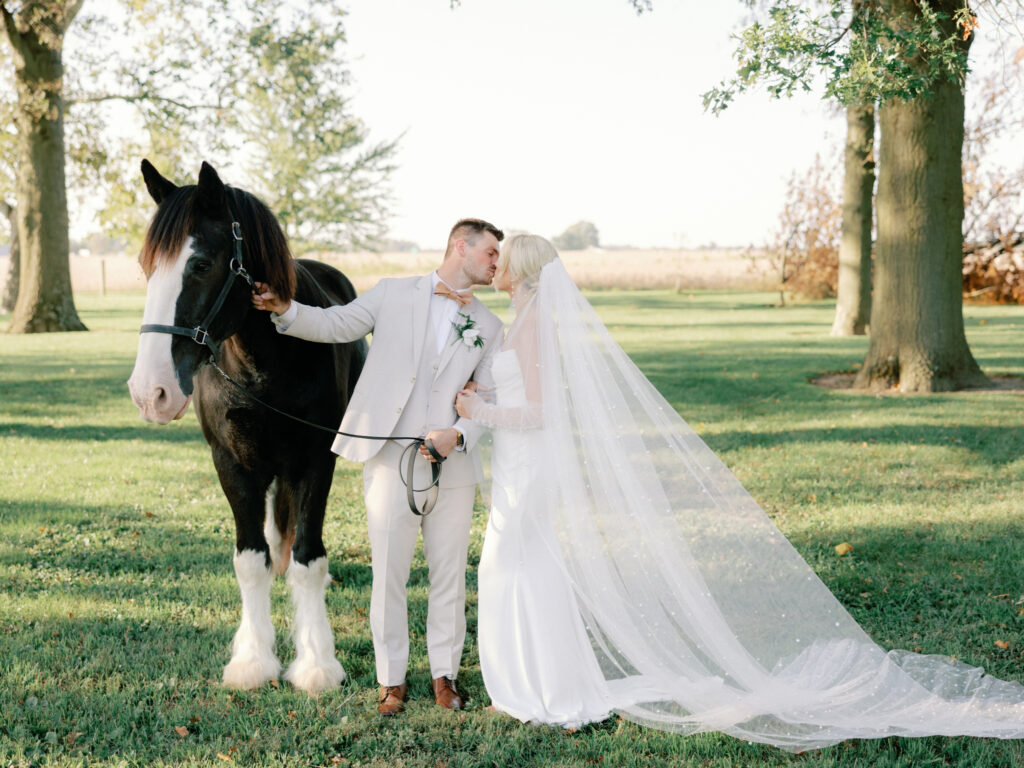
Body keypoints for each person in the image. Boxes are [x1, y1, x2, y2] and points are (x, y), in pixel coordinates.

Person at [455, 233, 1024, 750]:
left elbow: (538, 411)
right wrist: (480, 391)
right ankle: (538, 680)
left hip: (528, 466)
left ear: (522, 270)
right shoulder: (521, 319)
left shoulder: (530, 328)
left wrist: (479, 408)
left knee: (510, 567)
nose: (495, 265)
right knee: (530, 569)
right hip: (516, 464)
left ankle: (541, 686)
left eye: (502, 260)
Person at [252, 218, 504, 717]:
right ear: (461, 245)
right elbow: (338, 324)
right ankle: (392, 680)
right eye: (492, 252)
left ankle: (444, 676)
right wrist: (285, 310)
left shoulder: (491, 326)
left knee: (449, 576)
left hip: (452, 466)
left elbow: (491, 396)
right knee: (388, 574)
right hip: (389, 457)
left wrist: (460, 434)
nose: (498, 262)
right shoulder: (392, 293)